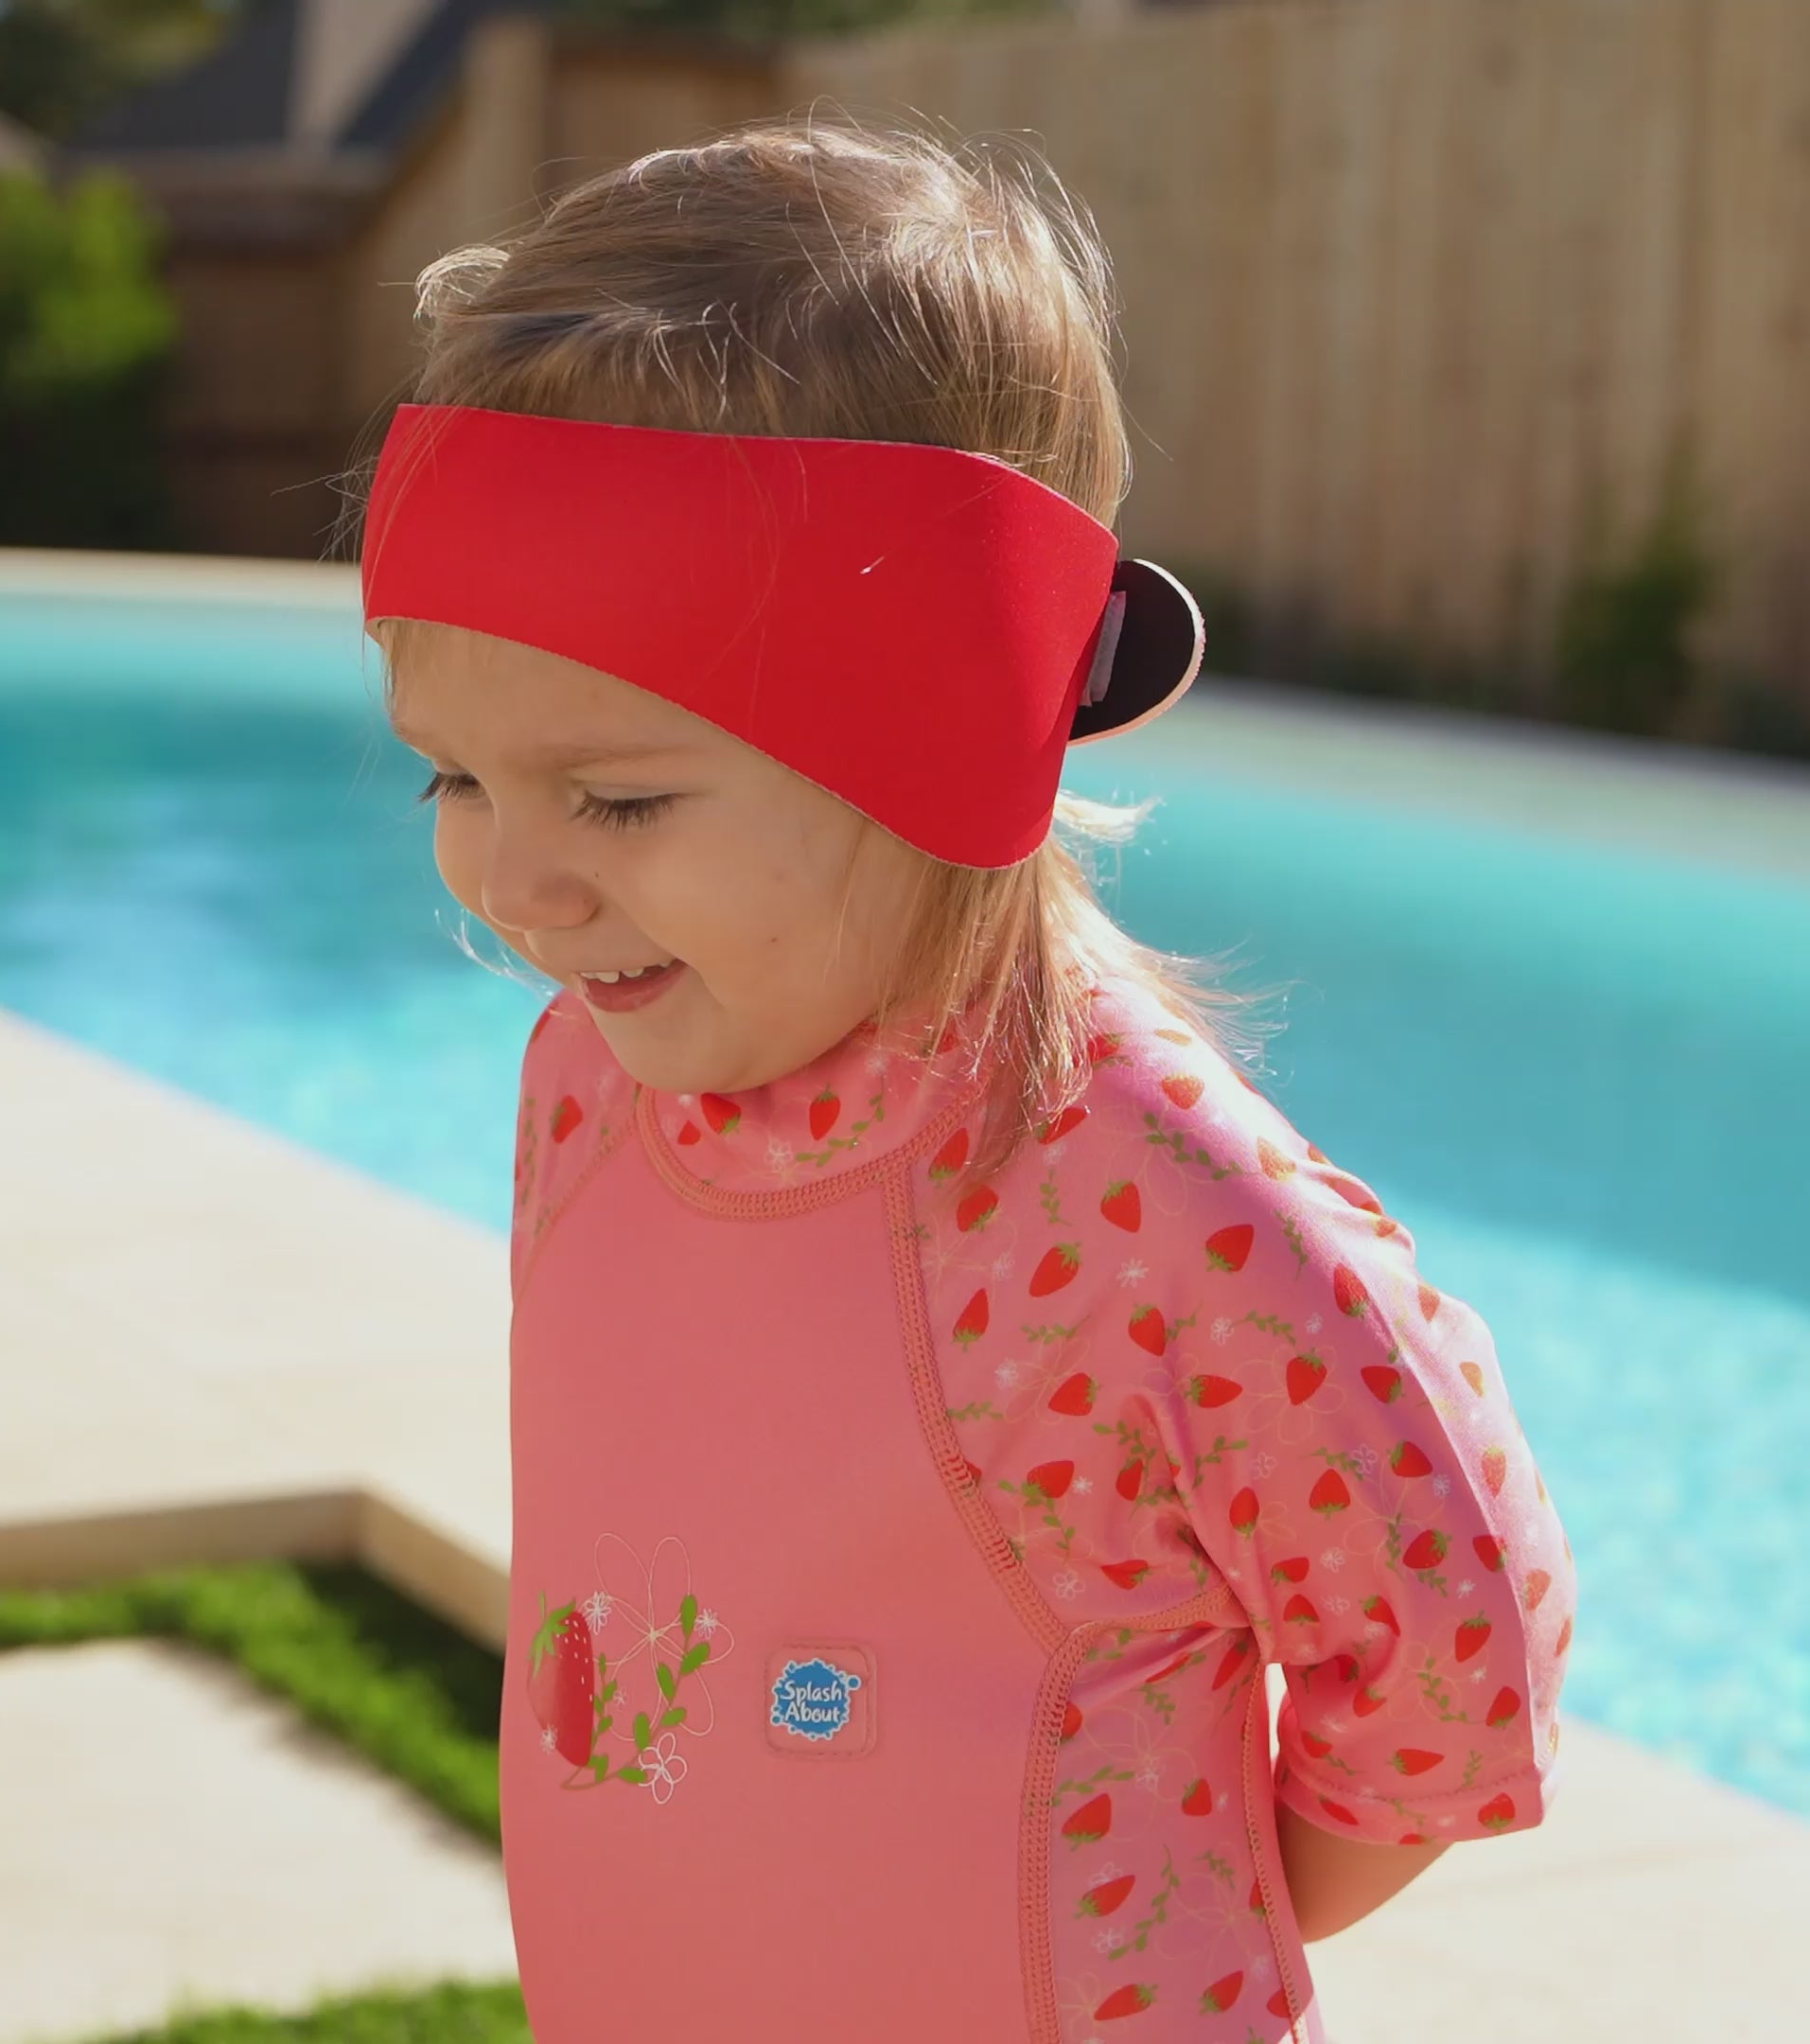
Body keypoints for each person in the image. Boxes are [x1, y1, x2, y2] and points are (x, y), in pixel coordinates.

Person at [355, 115, 1574, 2044]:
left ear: (936, 732)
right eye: (454, 774)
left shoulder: (1150, 1197)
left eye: (620, 799)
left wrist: (1201, 1906)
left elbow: (1455, 1651)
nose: (514, 884)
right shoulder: (592, 1087)